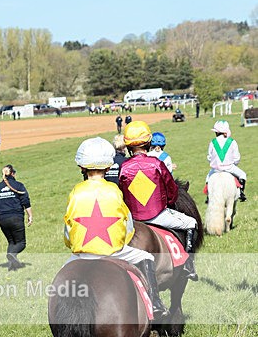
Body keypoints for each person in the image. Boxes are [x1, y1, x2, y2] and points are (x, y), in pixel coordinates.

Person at [64, 137, 169, 321]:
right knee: (147, 257)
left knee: (62, 276)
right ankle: (155, 303)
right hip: (114, 252)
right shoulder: (114, 191)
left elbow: (68, 229)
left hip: (82, 254)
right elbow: (128, 228)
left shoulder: (76, 191)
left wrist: (72, 244)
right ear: (108, 167)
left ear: (81, 167)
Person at [119, 121, 198, 281]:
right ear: (148, 143)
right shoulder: (157, 164)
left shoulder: (124, 167)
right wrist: (169, 202)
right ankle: (189, 265)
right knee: (191, 223)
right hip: (157, 215)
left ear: (128, 146)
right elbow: (172, 192)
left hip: (133, 220)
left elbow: (122, 194)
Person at [0, 165, 33, 270]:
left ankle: (12, 266)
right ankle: (11, 255)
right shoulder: (19, 185)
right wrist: (30, 216)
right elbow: (26, 201)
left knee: (11, 242)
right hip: (16, 218)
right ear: (12, 174)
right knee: (21, 243)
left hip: (3, 219)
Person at [206, 120, 247, 202]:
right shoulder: (232, 142)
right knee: (243, 175)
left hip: (216, 169)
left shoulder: (213, 142)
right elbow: (236, 158)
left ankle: (208, 196)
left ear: (216, 133)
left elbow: (209, 157)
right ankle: (241, 193)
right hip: (230, 168)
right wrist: (234, 164)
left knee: (207, 179)